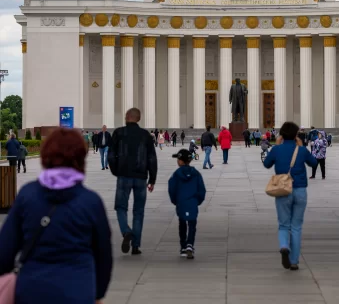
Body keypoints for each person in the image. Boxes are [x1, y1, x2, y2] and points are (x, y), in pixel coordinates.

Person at [0, 127, 112, 303]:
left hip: (32, 290)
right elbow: (104, 255)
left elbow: (5, 250)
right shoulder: (91, 202)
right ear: (81, 158)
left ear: (45, 156)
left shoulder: (27, 196)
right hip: (78, 290)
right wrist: (98, 293)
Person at [264, 121, 317, 271]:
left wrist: (277, 147)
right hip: (300, 190)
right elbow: (313, 163)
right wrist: (302, 147)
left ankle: (284, 246)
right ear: (296, 135)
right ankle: (294, 261)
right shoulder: (301, 150)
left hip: (283, 190)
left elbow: (267, 164)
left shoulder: (276, 149)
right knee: (296, 226)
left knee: (283, 224)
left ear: (281, 135)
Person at [108, 107, 157, 255]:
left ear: (126, 117)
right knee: (139, 211)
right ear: (139, 118)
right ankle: (135, 246)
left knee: (121, 207)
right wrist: (152, 179)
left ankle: (126, 231)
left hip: (124, 176)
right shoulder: (145, 135)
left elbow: (111, 155)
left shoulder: (119, 133)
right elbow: (152, 159)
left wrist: (116, 171)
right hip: (141, 177)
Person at [169, 149, 206, 259]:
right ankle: (190, 244)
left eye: (178, 159)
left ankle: (183, 247)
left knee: (182, 224)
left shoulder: (176, 174)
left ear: (181, 161)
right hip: (192, 202)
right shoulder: (196, 174)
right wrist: (197, 201)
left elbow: (172, 188)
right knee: (192, 224)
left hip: (181, 202)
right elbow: (201, 189)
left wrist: (175, 200)